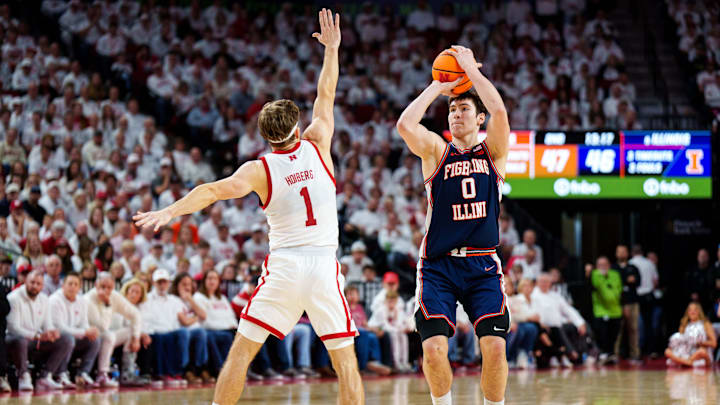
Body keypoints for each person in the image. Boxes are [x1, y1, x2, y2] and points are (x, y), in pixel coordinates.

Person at [134, 10, 363, 405]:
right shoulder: (318, 140)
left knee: (240, 354)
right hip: (324, 264)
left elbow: (210, 191)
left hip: (286, 265)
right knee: (346, 366)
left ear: (265, 136)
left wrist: (169, 211)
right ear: (296, 125)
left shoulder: (259, 170)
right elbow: (327, 93)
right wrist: (332, 51)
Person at [396, 44, 510, 405]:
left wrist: (471, 73)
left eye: (464, 109)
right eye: (452, 110)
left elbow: (500, 111)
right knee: (432, 350)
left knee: (493, 348)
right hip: (439, 265)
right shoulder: (435, 151)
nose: (456, 114)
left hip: (482, 264)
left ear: (479, 119)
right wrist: (438, 86)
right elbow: (404, 125)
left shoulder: (493, 152)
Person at [6, 270, 74, 391]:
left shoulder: (44, 299)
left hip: (35, 340)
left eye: (38, 284)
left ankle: (45, 377)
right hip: (14, 340)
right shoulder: (13, 298)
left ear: (42, 286)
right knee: (20, 340)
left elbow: (48, 325)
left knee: (67, 339)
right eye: (32, 282)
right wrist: (37, 336)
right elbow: (13, 328)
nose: (35, 286)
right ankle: (23, 376)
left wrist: (52, 332)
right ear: (25, 282)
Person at [86, 273, 146, 387]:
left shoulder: (114, 296)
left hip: (107, 335)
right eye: (103, 286)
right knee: (109, 336)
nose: (106, 290)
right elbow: (102, 326)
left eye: (109, 287)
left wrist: (136, 337)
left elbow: (136, 314)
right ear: (95, 284)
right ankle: (102, 374)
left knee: (130, 332)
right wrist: (107, 305)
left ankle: (127, 373)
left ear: (113, 287)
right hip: (91, 336)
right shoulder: (89, 299)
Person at [49, 272, 102, 388]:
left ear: (79, 287)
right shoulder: (54, 300)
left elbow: (83, 323)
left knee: (96, 339)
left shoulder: (82, 300)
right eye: (70, 284)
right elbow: (60, 328)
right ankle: (61, 374)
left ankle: (83, 374)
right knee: (68, 339)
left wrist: (90, 331)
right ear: (63, 285)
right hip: (55, 340)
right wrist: (84, 332)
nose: (72, 287)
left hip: (73, 338)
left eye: (75, 284)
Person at [590, 256, 622, 364]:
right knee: (602, 334)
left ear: (609, 265)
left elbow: (618, 290)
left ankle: (611, 354)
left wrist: (610, 293)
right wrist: (603, 278)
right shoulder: (594, 274)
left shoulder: (615, 274)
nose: (603, 267)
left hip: (615, 310)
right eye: (600, 265)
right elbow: (598, 286)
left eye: (605, 264)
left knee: (614, 335)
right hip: (601, 310)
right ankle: (603, 354)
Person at [665, 302, 717, 367]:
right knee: (667, 351)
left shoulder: (705, 324)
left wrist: (700, 342)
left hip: (700, 354)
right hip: (687, 353)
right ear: (687, 312)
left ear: (699, 311)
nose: (692, 312)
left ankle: (685, 362)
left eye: (695, 310)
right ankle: (688, 362)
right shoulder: (684, 324)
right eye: (690, 310)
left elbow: (714, 343)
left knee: (701, 351)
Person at [613, 244, 641, 362]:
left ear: (627, 253)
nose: (621, 254)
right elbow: (616, 284)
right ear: (616, 254)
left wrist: (628, 281)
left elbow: (637, 281)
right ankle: (615, 354)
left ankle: (635, 354)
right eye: (619, 252)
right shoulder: (613, 269)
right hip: (617, 303)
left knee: (633, 329)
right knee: (618, 329)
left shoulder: (633, 267)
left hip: (632, 302)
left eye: (624, 251)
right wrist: (626, 280)